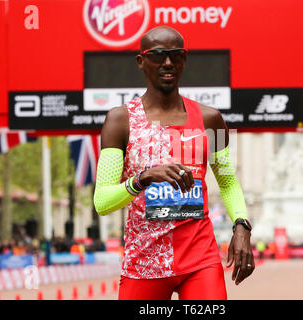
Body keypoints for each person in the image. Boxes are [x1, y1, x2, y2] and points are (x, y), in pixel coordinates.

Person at [93, 26, 254, 300]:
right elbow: (102, 202)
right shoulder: (120, 120)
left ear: (184, 60)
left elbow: (227, 182)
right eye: (157, 55)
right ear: (141, 61)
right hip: (144, 263)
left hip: (199, 260)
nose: (167, 62)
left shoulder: (210, 119)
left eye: (175, 54)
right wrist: (142, 179)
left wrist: (242, 225)